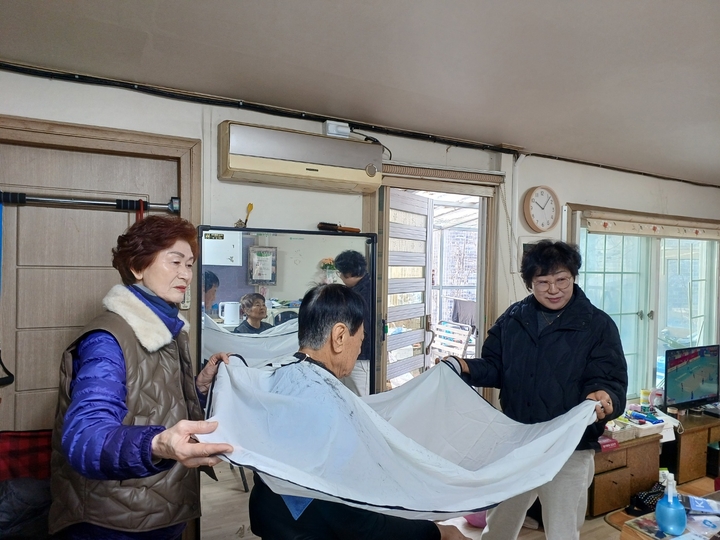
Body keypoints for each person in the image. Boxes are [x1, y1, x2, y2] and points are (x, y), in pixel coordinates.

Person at [49, 215, 234, 540]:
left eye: (190, 264)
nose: (186, 274)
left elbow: (154, 404)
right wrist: (156, 443)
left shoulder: (170, 331)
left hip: (162, 507)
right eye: (175, 261)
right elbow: (84, 439)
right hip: (115, 521)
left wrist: (199, 387)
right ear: (137, 266)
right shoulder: (107, 339)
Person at [248, 283, 469, 540]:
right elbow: (362, 527)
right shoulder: (333, 414)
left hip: (271, 521)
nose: (360, 350)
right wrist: (440, 532)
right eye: (360, 340)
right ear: (340, 336)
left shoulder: (275, 379)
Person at [448, 240, 628, 540]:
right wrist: (464, 366)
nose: (553, 289)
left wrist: (604, 395)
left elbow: (609, 378)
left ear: (573, 277)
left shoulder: (598, 325)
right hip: (518, 440)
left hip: (569, 446)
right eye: (543, 282)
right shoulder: (513, 319)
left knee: (562, 530)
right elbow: (495, 367)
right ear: (530, 283)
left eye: (562, 280)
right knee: (500, 522)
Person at [334, 249, 372, 395]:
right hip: (356, 355)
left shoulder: (361, 295)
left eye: (340, 273)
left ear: (349, 273)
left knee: (362, 400)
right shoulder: (365, 287)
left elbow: (362, 329)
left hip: (361, 358)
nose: (340, 277)